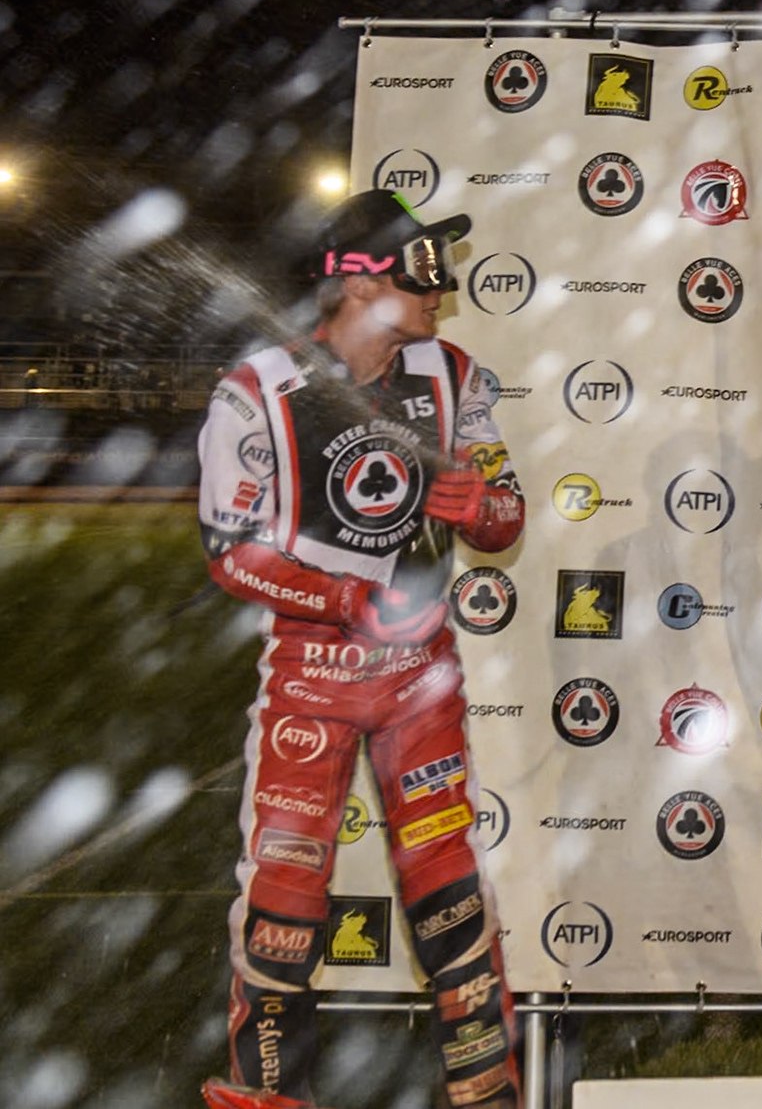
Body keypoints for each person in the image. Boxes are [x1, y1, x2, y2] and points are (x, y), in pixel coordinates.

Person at [195, 190, 525, 1109]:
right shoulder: (256, 389)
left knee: (446, 886)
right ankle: (268, 1096)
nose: (440, 287)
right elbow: (232, 550)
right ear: (364, 279)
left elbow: (505, 513)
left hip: (421, 677)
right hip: (313, 675)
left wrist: (483, 509)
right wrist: (347, 598)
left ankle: (486, 1090)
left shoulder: (454, 374)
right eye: (423, 267)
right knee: (285, 900)